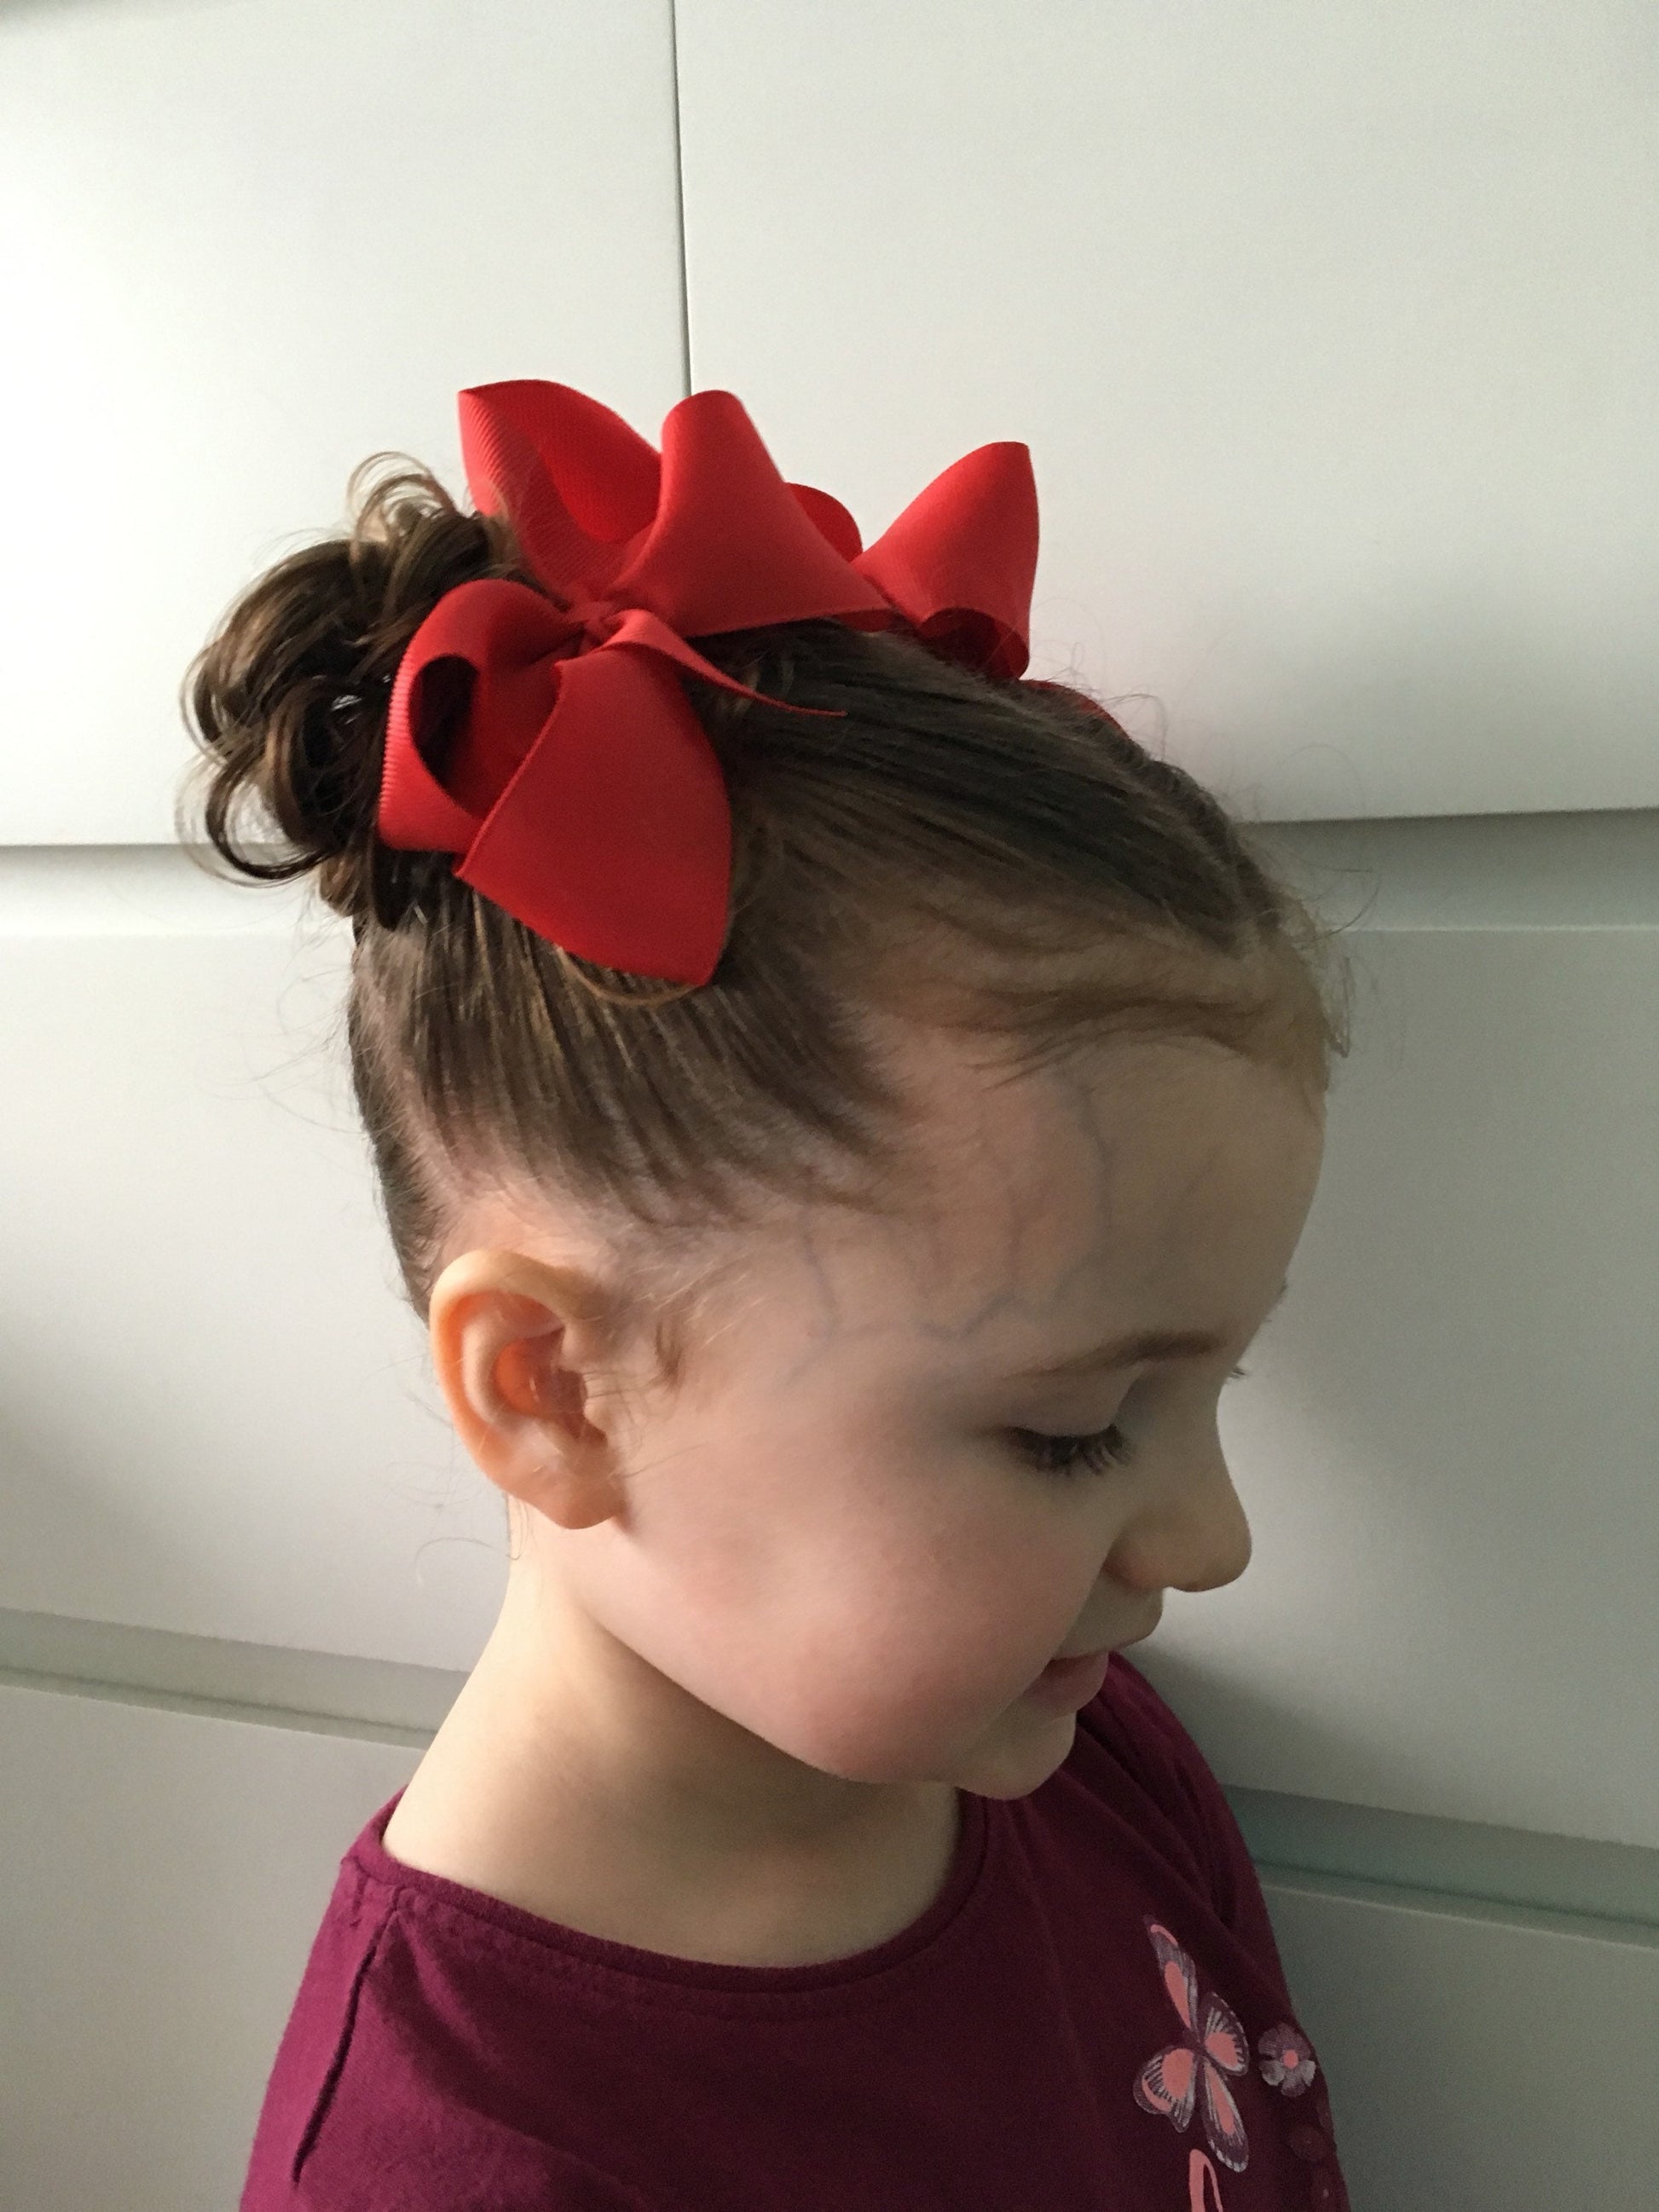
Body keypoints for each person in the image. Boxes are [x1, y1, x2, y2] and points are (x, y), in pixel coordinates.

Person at [180, 378, 1356, 2210]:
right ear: (555, 1391)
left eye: (1216, 1384)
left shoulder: (1085, 1752)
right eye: (1072, 1431)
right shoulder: (463, 2168)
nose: (1211, 1542)